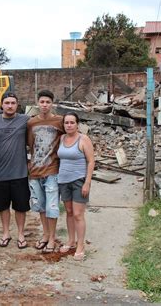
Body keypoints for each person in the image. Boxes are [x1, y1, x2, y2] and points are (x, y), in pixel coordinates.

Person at [0, 92, 31, 249]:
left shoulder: (25, 120)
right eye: (7, 103)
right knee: (3, 206)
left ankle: (20, 234)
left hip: (20, 173)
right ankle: (6, 233)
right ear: (1, 105)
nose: (10, 105)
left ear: (17, 105)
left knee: (20, 207)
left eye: (13, 103)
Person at [27, 89, 64, 254]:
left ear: (52, 104)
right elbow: (30, 144)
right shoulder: (31, 123)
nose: (44, 105)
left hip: (52, 170)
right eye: (42, 102)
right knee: (41, 206)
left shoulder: (60, 121)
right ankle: (45, 234)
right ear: (37, 103)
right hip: (35, 171)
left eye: (48, 102)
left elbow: (71, 136)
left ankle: (52, 238)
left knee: (52, 206)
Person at [57, 112, 95, 261]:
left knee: (78, 214)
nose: (69, 125)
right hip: (63, 180)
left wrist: (87, 182)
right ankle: (71, 241)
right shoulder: (62, 138)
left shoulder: (83, 139)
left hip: (79, 180)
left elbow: (91, 161)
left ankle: (80, 245)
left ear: (77, 124)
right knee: (69, 212)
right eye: (66, 123)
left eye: (72, 122)